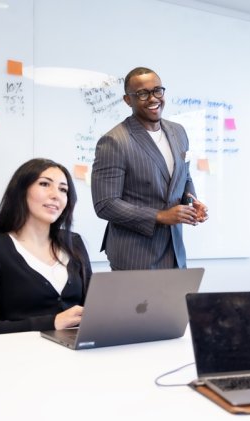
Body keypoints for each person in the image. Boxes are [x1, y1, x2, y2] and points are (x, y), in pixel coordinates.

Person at [91, 66, 208, 270]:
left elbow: (183, 177)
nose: (153, 98)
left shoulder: (178, 132)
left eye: (157, 90)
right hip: (134, 255)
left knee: (176, 303)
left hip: (174, 252)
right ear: (128, 100)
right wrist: (160, 216)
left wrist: (191, 203)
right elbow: (105, 204)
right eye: (142, 93)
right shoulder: (114, 141)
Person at [0, 158, 91, 337]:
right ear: (21, 190)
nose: (56, 195)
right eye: (45, 184)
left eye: (63, 189)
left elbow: (92, 310)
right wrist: (52, 322)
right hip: (18, 357)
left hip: (74, 353)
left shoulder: (73, 242)